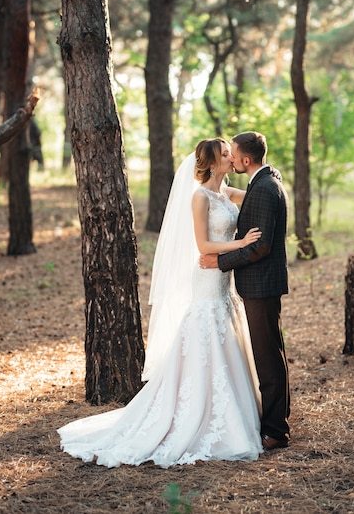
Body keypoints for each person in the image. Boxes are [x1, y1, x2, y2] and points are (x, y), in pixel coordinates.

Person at [57, 138, 264, 468]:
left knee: (227, 333)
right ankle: (195, 410)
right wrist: (241, 243)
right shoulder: (200, 197)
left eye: (231, 153)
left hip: (225, 282)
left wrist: (271, 176)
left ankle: (233, 409)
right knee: (205, 335)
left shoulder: (227, 192)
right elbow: (203, 244)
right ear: (211, 163)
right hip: (208, 278)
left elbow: (257, 192)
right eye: (225, 154)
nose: (231, 157)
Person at [200, 131, 290, 451]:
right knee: (268, 353)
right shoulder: (262, 183)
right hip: (257, 283)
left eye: (234, 154)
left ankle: (276, 430)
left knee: (267, 357)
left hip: (261, 282)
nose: (232, 158)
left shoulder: (264, 188)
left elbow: (261, 246)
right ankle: (276, 420)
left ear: (246, 160)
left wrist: (221, 261)